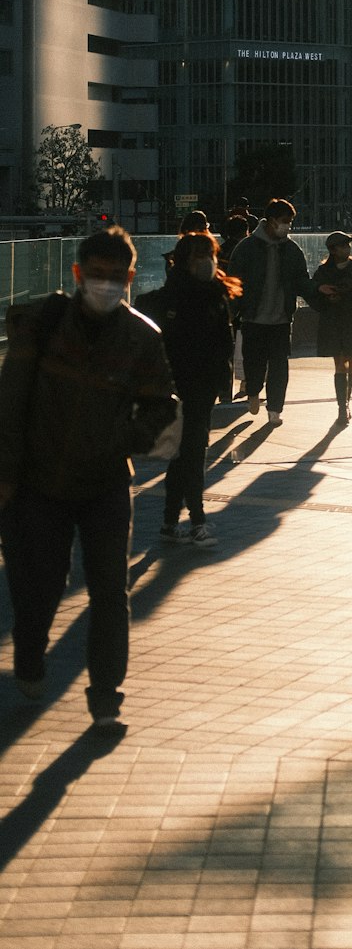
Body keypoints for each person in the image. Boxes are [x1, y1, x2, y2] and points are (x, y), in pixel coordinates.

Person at [0, 226, 177, 728]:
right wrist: (6, 473)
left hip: (104, 484)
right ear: (78, 275)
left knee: (109, 592)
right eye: (96, 276)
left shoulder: (142, 338)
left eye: (115, 277)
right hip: (40, 482)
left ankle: (106, 696)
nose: (105, 286)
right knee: (39, 586)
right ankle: (30, 655)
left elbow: (160, 405)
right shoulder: (44, 325)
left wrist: (129, 439)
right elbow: (10, 401)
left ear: (129, 278)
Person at [135, 233, 239, 549]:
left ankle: (170, 522)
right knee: (191, 453)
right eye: (199, 256)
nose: (206, 262)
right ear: (184, 261)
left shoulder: (217, 296)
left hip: (202, 386)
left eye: (210, 254)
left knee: (185, 455)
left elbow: (225, 342)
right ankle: (196, 521)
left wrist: (223, 381)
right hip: (176, 388)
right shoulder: (170, 299)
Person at [227, 199, 316, 426]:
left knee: (279, 366)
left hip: (281, 320)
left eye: (290, 222)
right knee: (254, 363)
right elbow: (234, 283)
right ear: (272, 220)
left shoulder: (292, 250)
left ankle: (275, 409)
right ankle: (254, 391)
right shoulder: (246, 248)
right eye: (285, 221)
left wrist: (319, 296)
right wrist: (230, 311)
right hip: (253, 317)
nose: (288, 226)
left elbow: (302, 281)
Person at [311, 232, 352, 426]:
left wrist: (349, 295)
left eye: (347, 246)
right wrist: (327, 297)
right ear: (333, 250)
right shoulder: (323, 272)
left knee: (349, 362)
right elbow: (314, 295)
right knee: (341, 363)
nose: (347, 249)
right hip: (333, 321)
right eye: (342, 246)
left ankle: (345, 404)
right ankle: (343, 407)